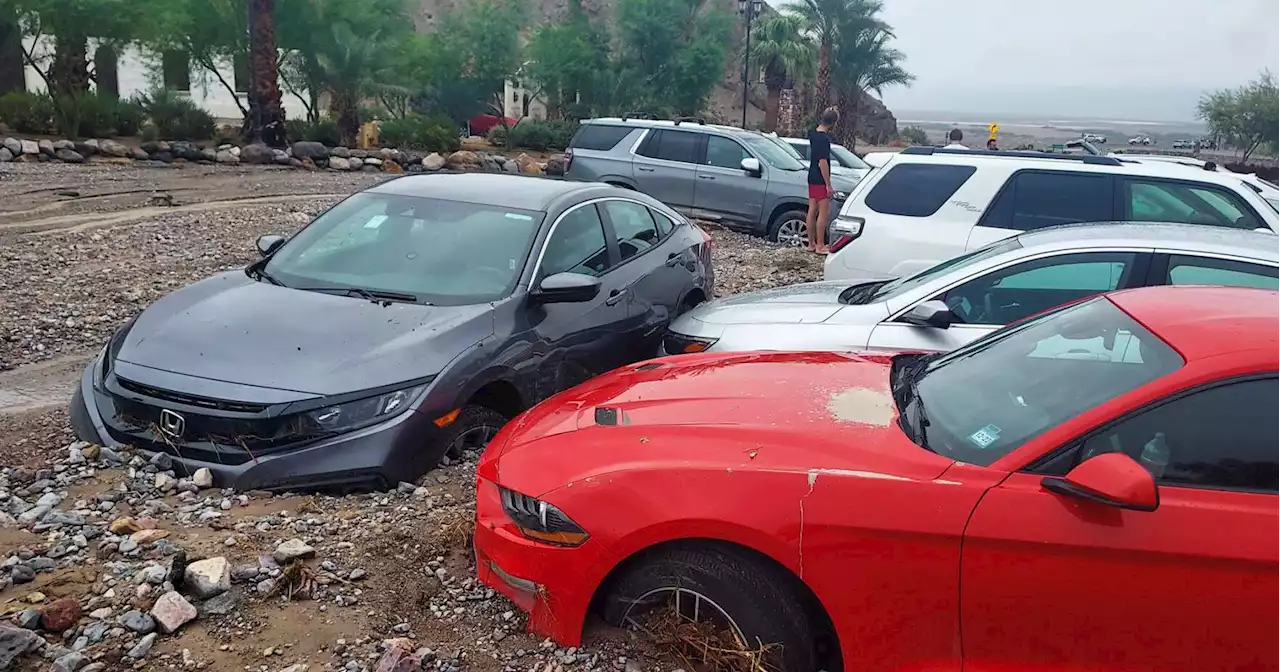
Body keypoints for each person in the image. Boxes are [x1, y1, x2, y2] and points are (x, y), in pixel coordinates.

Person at [805, 107, 839, 254]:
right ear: (833, 123)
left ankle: (811, 243)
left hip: (811, 176)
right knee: (823, 212)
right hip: (820, 178)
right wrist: (828, 184)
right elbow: (822, 162)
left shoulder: (813, 135)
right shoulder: (824, 140)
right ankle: (820, 245)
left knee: (812, 209)